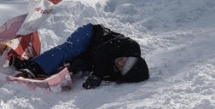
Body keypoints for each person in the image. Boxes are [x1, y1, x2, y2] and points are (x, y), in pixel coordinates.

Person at [12, 23, 149, 89]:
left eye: (122, 68)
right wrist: (97, 75)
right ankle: (34, 67)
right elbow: (103, 52)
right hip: (91, 35)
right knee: (70, 49)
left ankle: (28, 62)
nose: (121, 63)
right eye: (126, 61)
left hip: (89, 54)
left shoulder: (113, 74)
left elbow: (95, 63)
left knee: (72, 66)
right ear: (133, 57)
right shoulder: (131, 46)